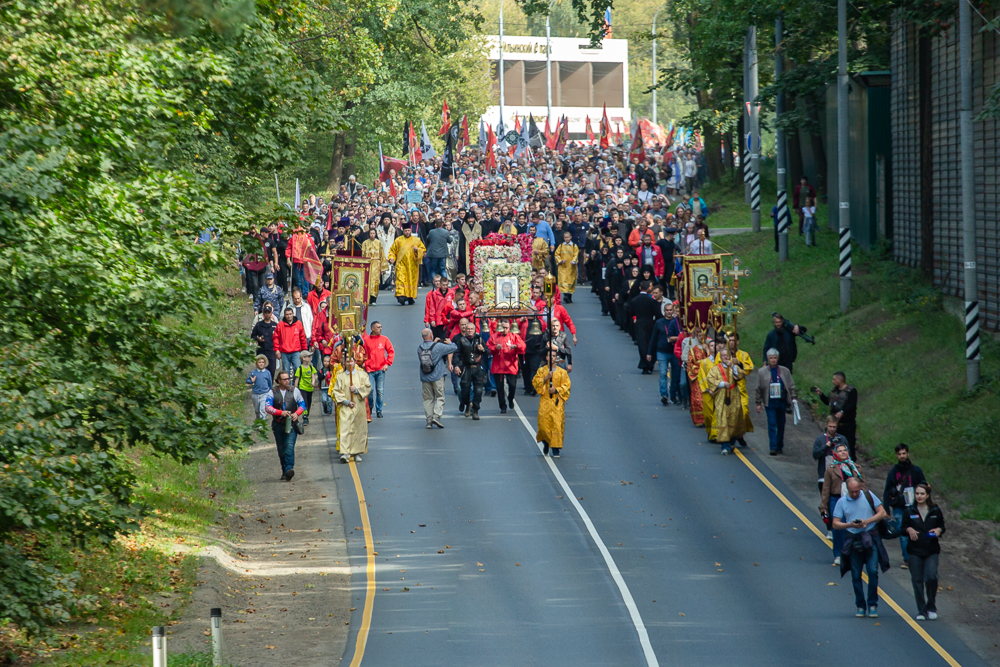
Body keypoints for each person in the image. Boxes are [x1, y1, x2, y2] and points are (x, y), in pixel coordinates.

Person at [832, 477, 888, 619]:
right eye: (852, 492)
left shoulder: (868, 495)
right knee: (856, 575)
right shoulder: (842, 502)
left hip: (870, 537)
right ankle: (860, 605)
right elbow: (835, 523)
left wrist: (866, 522)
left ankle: (873, 603)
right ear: (847, 490)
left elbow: (882, 512)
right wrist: (850, 525)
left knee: (872, 571)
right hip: (853, 539)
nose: (855, 494)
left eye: (857, 491)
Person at [902, 483, 946, 620]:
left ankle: (931, 606)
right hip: (914, 550)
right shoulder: (909, 511)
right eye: (917, 494)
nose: (919, 496)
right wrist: (908, 530)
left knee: (931, 577)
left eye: (922, 494)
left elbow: (942, 526)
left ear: (927, 495)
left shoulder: (935, 510)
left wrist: (939, 530)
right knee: (917, 580)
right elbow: (902, 528)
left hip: (931, 549)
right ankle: (921, 610)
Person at [822, 442, 867, 566]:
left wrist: (862, 496)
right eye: (840, 451)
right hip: (836, 499)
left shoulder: (856, 467)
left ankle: (853, 552)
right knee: (838, 525)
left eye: (845, 450)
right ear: (835, 454)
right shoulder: (831, 469)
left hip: (853, 498)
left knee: (854, 525)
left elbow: (863, 483)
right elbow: (826, 488)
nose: (843, 452)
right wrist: (823, 507)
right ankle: (838, 553)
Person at [883, 443, 927, 570]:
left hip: (914, 505)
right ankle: (907, 559)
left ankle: (917, 556)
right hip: (899, 506)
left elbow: (923, 486)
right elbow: (887, 490)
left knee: (917, 531)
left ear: (908, 454)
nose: (902, 456)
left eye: (904, 453)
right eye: (899, 454)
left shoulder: (916, 471)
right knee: (903, 532)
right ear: (896, 455)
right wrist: (886, 508)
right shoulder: (893, 472)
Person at [754, 348, 797, 455]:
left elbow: (791, 385)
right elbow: (757, 388)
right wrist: (758, 403)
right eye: (771, 358)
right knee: (772, 423)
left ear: (778, 359)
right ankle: (773, 446)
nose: (773, 360)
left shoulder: (784, 371)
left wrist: (793, 397)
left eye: (775, 358)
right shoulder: (762, 372)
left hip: (781, 401)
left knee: (781, 424)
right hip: (770, 402)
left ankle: (779, 445)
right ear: (768, 359)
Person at [264, 370, 305, 482]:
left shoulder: (294, 391)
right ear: (278, 380)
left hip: (292, 424)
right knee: (281, 449)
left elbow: (302, 404)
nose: (287, 381)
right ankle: (284, 471)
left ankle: (289, 469)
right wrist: (279, 412)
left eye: (288, 379)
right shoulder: (272, 392)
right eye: (284, 379)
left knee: (289, 446)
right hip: (278, 424)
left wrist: (297, 413)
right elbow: (267, 407)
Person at [705, 347, 746, 454]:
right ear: (720, 356)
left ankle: (732, 441)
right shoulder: (715, 369)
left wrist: (732, 366)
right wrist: (722, 384)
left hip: (734, 397)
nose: (726, 357)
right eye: (723, 355)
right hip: (721, 398)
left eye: (728, 356)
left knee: (734, 419)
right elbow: (710, 380)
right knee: (723, 420)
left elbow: (741, 375)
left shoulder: (733, 368)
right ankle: (725, 446)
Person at [332, 355, 372, 463]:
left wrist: (357, 390)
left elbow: (368, 387)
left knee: (358, 428)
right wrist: (346, 402)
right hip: (346, 406)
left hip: (358, 405)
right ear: (344, 364)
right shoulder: (340, 377)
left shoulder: (362, 375)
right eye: (347, 362)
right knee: (345, 428)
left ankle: (357, 452)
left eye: (352, 361)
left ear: (355, 363)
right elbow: (336, 391)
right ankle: (345, 452)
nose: (350, 363)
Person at [533, 348, 571, 458]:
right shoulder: (541, 371)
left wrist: (556, 390)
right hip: (545, 402)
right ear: (546, 357)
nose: (551, 358)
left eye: (554, 356)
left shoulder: (562, 372)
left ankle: (556, 449)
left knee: (557, 426)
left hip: (556, 403)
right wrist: (545, 378)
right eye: (549, 356)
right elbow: (535, 383)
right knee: (544, 426)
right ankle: (546, 441)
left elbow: (567, 386)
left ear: (556, 358)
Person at [417, 328, 457, 429]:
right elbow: (453, 348)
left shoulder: (419, 348)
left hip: (425, 376)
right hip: (437, 376)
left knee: (427, 399)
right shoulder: (438, 346)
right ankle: (436, 416)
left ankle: (429, 420)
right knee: (440, 397)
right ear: (431, 336)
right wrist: (450, 342)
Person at [813, 372, 859, 459]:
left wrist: (842, 412)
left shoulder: (851, 391)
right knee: (833, 444)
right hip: (835, 425)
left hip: (847, 425)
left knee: (849, 445)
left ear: (840, 379)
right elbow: (828, 402)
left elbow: (852, 405)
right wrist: (821, 394)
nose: (832, 381)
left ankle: (851, 464)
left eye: (834, 379)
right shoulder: (834, 391)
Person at [488, 319, 525, 414]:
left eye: (506, 328)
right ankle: (502, 406)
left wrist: (515, 346)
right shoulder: (494, 336)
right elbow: (488, 348)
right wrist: (495, 348)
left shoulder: (514, 336)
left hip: (510, 365)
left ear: (509, 328)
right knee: (500, 388)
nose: (504, 330)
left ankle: (510, 398)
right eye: (502, 328)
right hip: (498, 366)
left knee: (512, 385)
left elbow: (523, 346)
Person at [454, 319, 487, 420]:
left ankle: (476, 410)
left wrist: (483, 349)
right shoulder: (461, 340)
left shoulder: (479, 339)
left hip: (477, 368)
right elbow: (457, 354)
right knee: (464, 390)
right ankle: (467, 404)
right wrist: (456, 366)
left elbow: (488, 352)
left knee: (478, 390)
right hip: (466, 368)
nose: (469, 330)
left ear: (474, 329)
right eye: (468, 329)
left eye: (471, 329)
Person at [361, 321, 394, 418]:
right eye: (378, 327)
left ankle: (379, 410)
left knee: (380, 391)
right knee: (370, 390)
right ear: (373, 329)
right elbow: (362, 352)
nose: (380, 329)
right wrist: (364, 363)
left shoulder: (384, 339)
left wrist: (387, 363)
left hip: (380, 369)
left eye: (381, 327)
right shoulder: (366, 340)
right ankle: (370, 407)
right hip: (369, 369)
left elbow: (391, 351)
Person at [388, 224, 426, 305]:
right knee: (401, 281)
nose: (407, 232)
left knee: (410, 282)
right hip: (401, 265)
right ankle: (401, 296)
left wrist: (417, 250)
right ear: (403, 231)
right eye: (406, 231)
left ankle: (410, 297)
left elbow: (423, 250)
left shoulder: (416, 240)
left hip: (412, 266)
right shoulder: (398, 240)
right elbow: (392, 251)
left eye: (409, 231)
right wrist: (391, 258)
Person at [726, 333, 754, 446]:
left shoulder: (743, 354)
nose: (731, 342)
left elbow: (749, 368)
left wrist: (740, 363)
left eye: (733, 340)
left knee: (744, 412)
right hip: (728, 388)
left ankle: (740, 434)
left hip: (740, 388)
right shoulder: (724, 354)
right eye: (730, 340)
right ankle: (732, 436)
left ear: (737, 341)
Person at [813, 415, 849, 498]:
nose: (832, 429)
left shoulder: (842, 439)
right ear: (826, 425)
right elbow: (815, 455)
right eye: (830, 427)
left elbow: (848, 456)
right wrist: (825, 447)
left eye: (834, 427)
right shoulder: (820, 439)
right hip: (824, 475)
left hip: (840, 476)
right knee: (825, 502)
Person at [629, 281, 659, 374]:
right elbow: (656, 312)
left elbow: (630, 312)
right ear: (648, 289)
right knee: (650, 342)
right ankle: (650, 363)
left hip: (640, 322)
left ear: (639, 288)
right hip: (650, 322)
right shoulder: (651, 301)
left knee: (642, 344)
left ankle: (644, 364)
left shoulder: (634, 300)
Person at [273, 306, 308, 378]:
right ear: (285, 315)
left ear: (293, 314)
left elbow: (303, 337)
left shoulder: (298, 323)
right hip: (284, 351)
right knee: (286, 371)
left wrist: (304, 350)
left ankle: (296, 387)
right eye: (287, 314)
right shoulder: (280, 325)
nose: (289, 316)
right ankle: (287, 387)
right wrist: (277, 350)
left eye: (290, 314)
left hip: (296, 351)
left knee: (298, 369)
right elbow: (276, 338)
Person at [686, 334, 708, 426]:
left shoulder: (710, 348)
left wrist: (707, 350)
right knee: (697, 399)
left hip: (708, 377)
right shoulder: (693, 349)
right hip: (698, 376)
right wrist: (698, 371)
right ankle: (699, 420)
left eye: (703, 336)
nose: (701, 337)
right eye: (699, 336)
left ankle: (708, 419)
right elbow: (690, 364)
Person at [250, 303, 278, 378]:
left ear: (271, 313)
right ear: (263, 313)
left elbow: (280, 338)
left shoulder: (275, 325)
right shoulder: (258, 325)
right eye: (265, 313)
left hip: (272, 351)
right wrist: (257, 339)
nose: (267, 314)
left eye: (269, 313)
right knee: (261, 371)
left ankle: (270, 386)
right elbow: (252, 336)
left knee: (272, 370)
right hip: (261, 350)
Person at [361, 227, 386, 304]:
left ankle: (374, 298)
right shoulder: (365, 243)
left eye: (373, 233)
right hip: (367, 265)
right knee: (367, 282)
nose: (372, 235)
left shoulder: (379, 243)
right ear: (369, 234)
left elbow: (382, 255)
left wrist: (383, 268)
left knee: (375, 282)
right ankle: (367, 298)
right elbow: (362, 255)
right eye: (371, 233)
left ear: (375, 234)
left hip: (376, 265)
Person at [554, 231, 578, 304]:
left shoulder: (574, 246)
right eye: (565, 237)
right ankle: (566, 296)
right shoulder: (561, 245)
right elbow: (557, 254)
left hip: (571, 267)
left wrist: (574, 261)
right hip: (563, 267)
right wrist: (560, 260)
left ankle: (569, 296)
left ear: (571, 237)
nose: (566, 239)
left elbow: (576, 255)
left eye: (567, 237)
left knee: (570, 281)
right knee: (563, 281)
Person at [246, 354, 273, 419]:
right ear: (256, 363)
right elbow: (248, 380)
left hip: (264, 393)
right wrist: (252, 381)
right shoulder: (254, 372)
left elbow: (270, 383)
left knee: (262, 410)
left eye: (262, 362)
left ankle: (262, 426)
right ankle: (258, 423)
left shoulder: (267, 372)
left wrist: (270, 391)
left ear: (265, 363)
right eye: (259, 362)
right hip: (256, 394)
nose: (261, 364)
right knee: (257, 411)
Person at [293, 357, 317, 425]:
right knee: (305, 402)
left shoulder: (311, 367)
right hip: (302, 387)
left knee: (309, 403)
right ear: (303, 358)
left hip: (310, 388)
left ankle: (307, 414)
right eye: (308, 357)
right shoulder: (299, 368)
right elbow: (297, 379)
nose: (310, 358)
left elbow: (313, 376)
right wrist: (295, 388)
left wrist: (313, 382)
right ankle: (305, 417)